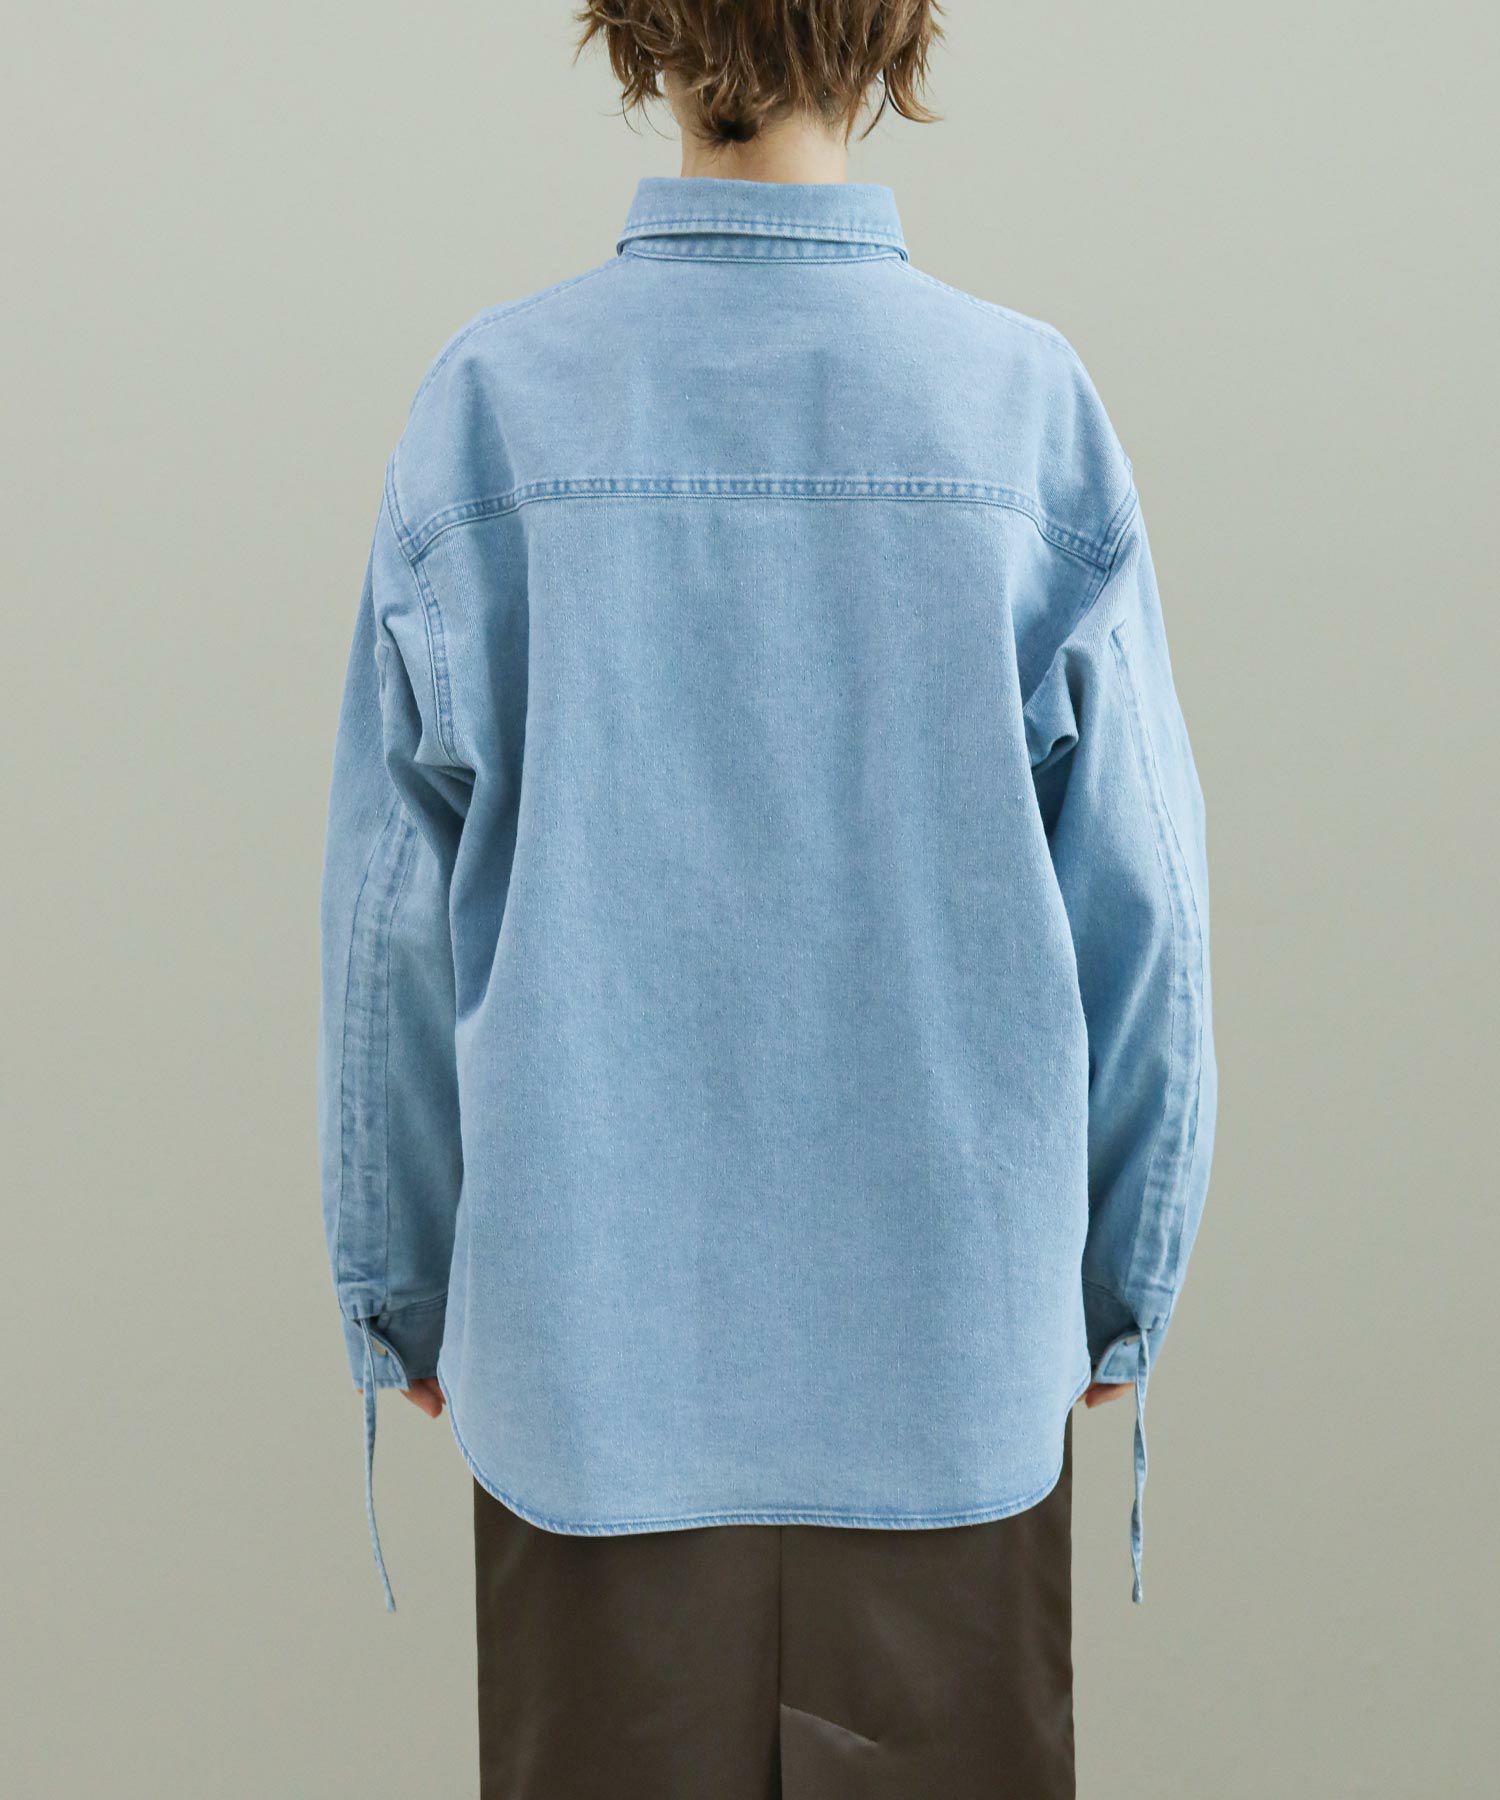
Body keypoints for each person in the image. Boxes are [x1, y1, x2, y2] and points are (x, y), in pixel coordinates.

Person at [317, 3, 1216, 1793]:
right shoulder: (1023, 411)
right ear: (893, 35)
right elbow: (1147, 914)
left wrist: (398, 1283)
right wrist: (1125, 1284)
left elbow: (387, 932)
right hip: (951, 1370)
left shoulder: (492, 411)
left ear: (637, 29)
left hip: (592, 1379)